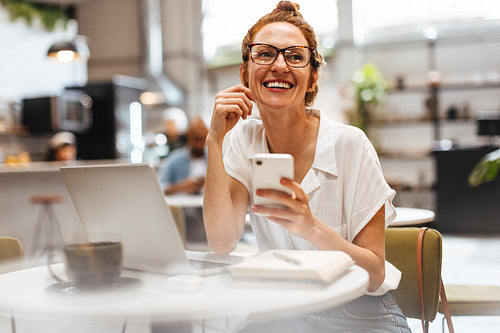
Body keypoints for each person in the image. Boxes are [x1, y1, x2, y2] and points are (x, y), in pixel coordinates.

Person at [203, 2, 410, 332]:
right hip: (283, 308)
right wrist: (214, 141)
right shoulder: (242, 139)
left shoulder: (349, 144)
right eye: (265, 54)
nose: (280, 65)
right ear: (245, 74)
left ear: (313, 78)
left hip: (359, 310)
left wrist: (311, 227)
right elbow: (222, 241)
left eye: (295, 56)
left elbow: (374, 273)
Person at [157, 116, 209, 242]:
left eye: (204, 139)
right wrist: (181, 187)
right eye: (197, 139)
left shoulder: (219, 158)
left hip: (211, 216)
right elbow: (157, 188)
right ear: (188, 137)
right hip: (184, 219)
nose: (200, 144)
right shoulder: (175, 160)